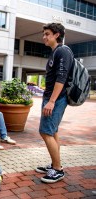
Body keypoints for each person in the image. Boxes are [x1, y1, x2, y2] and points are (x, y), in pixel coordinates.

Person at [35, 23, 73, 183]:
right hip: (52, 97)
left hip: (56, 99)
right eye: (44, 34)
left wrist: (51, 101)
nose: (44, 37)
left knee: (45, 132)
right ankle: (55, 163)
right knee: (53, 131)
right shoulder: (56, 52)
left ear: (57, 35)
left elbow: (61, 78)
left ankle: (58, 169)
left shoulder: (62, 51)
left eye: (47, 34)